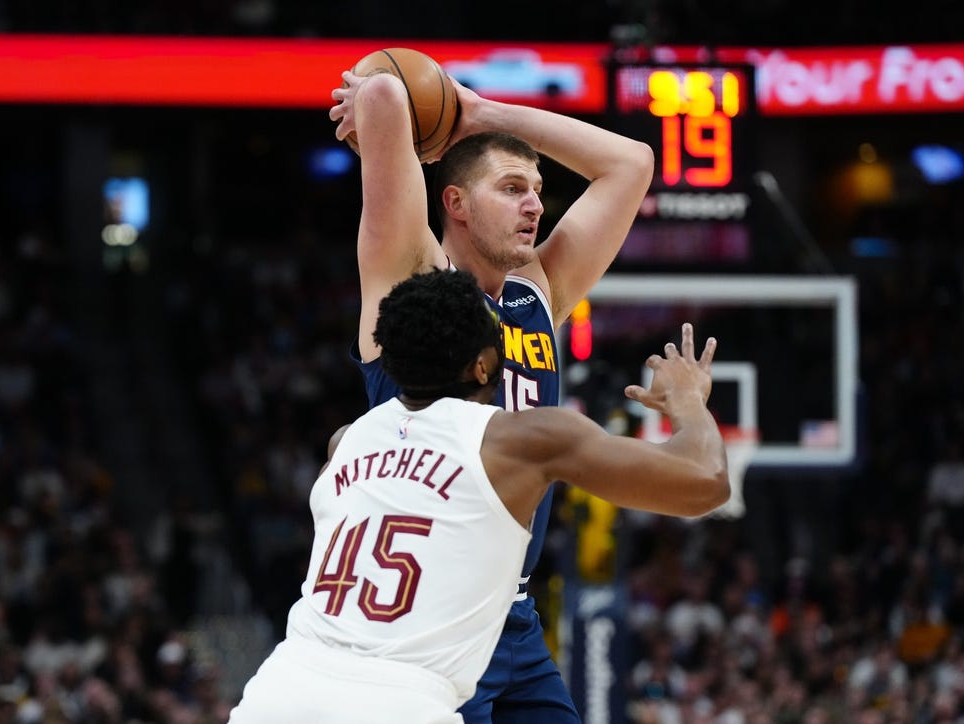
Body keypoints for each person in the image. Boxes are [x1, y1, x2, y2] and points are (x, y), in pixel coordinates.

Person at [228, 269, 728, 723]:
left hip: (277, 692)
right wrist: (686, 400)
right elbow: (704, 483)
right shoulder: (518, 440)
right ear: (486, 366)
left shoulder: (346, 441)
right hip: (400, 703)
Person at [329, 63, 655, 722]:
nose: (535, 204)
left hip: (514, 619)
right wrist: (382, 105)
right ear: (453, 203)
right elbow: (390, 90)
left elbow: (631, 163)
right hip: (427, 625)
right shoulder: (410, 280)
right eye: (511, 188)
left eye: (537, 189)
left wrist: (480, 113)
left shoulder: (538, 293)